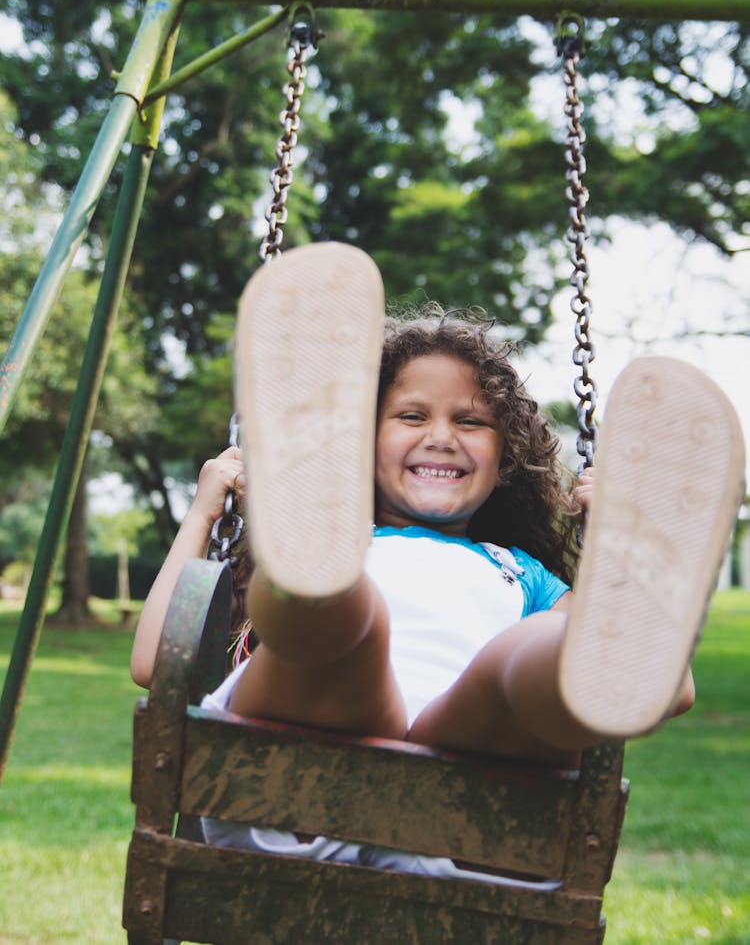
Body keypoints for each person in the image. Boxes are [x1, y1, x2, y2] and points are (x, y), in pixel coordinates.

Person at [130, 242, 745, 878]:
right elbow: (157, 662)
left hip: (472, 813)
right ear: (361, 441)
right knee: (346, 624)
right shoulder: (327, 541)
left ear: (507, 454)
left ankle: (576, 661)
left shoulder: (519, 572)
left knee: (527, 655)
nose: (442, 436)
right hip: (292, 793)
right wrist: (205, 514)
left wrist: (617, 555)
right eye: (411, 415)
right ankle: (316, 605)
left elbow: (670, 688)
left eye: (471, 421)